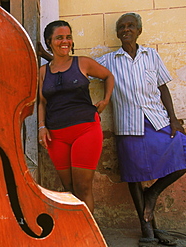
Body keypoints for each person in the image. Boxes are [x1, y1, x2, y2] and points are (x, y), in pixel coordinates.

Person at [95, 13, 186, 247]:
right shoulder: (109, 60)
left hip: (158, 120)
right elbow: (77, 65)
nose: (126, 30)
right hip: (128, 124)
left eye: (131, 26)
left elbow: (162, 87)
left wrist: (173, 119)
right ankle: (147, 229)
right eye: (122, 27)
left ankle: (152, 193)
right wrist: (47, 55)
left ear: (139, 30)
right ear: (117, 33)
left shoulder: (151, 55)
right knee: (135, 176)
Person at [38, 20, 114, 213]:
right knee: (69, 191)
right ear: (49, 41)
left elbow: (108, 76)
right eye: (59, 37)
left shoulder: (83, 63)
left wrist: (105, 100)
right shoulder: (43, 72)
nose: (66, 41)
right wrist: (41, 127)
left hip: (86, 130)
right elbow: (42, 102)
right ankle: (77, 234)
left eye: (68, 37)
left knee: (83, 187)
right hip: (56, 135)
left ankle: (90, 239)